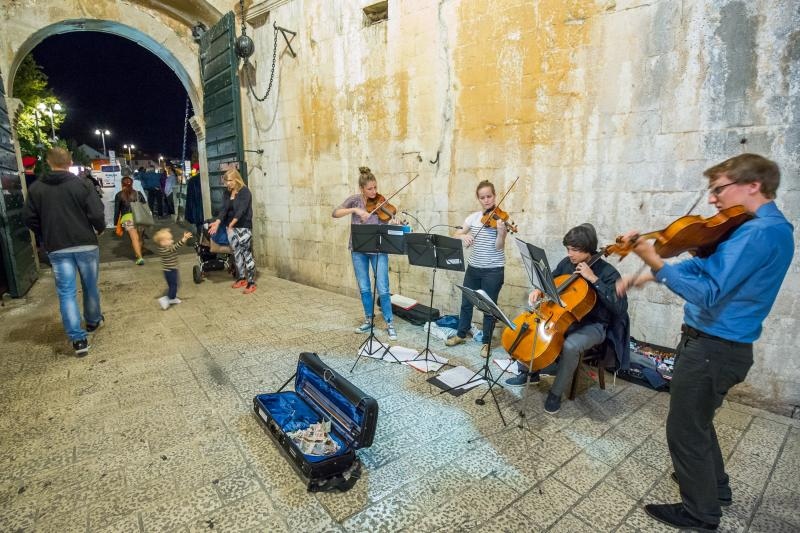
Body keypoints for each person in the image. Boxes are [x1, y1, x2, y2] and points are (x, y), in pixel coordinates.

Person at [616, 154, 794, 532]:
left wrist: (657, 263)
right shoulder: (755, 228)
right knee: (698, 422)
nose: (712, 200)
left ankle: (700, 513)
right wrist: (646, 275)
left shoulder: (759, 232)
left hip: (714, 348)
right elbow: (706, 267)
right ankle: (716, 488)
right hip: (714, 345)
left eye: (718, 190)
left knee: (683, 428)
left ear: (753, 186)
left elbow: (709, 293)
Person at [505, 223, 629, 416]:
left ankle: (555, 394)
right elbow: (551, 281)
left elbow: (620, 308)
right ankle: (530, 372)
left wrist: (594, 279)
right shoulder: (567, 263)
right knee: (534, 325)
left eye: (575, 250)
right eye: (568, 249)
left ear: (589, 249)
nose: (570, 254)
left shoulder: (608, 273)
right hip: (564, 316)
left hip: (593, 324)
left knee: (571, 345)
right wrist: (540, 289)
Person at [22, 147, 106, 356]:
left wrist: (45, 232)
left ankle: (78, 340)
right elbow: (96, 212)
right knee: (90, 286)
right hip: (85, 243)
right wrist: (100, 227)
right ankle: (93, 321)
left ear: (49, 163)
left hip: (57, 246)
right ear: (70, 162)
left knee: (66, 292)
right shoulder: (82, 184)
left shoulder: (37, 188)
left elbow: (29, 218)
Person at [332, 166, 398, 341]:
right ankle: (369, 319)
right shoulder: (354, 200)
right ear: (362, 189)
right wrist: (355, 211)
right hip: (358, 250)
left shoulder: (381, 202)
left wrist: (393, 219)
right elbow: (335, 213)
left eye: (375, 187)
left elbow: (388, 219)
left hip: (378, 250)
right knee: (364, 287)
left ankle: (390, 322)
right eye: (370, 188)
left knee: (383, 287)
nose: (374, 191)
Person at [445, 180, 508, 356]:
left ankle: (486, 342)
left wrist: (502, 232)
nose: (486, 200)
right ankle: (461, 334)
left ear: (494, 196)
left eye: (489, 196)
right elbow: (456, 234)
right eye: (483, 197)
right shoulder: (473, 218)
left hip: (493, 270)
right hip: (473, 268)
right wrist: (463, 237)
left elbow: (499, 246)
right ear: (478, 199)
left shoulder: (500, 219)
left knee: (489, 308)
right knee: (466, 303)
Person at [209, 168, 257, 293]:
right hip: (231, 227)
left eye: (230, 181)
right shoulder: (227, 193)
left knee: (247, 254)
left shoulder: (245, 192)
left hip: (243, 226)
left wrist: (232, 224)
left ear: (236, 179)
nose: (228, 184)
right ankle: (241, 278)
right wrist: (218, 222)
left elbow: (241, 210)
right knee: (236, 253)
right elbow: (224, 209)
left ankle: (251, 282)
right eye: (226, 181)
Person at [153, 228, 192, 310]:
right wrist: (184, 239)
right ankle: (166, 299)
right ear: (162, 242)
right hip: (171, 270)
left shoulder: (163, 248)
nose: (171, 241)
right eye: (169, 239)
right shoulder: (167, 249)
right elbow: (176, 247)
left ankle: (173, 299)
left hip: (167, 271)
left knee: (172, 285)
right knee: (174, 285)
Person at [113, 175, 148, 265]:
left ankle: (140, 257)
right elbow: (145, 205)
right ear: (132, 184)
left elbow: (117, 210)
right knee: (140, 237)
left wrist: (115, 222)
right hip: (140, 217)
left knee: (134, 238)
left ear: (122, 184)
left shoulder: (119, 195)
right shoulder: (138, 193)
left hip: (127, 218)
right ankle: (138, 253)